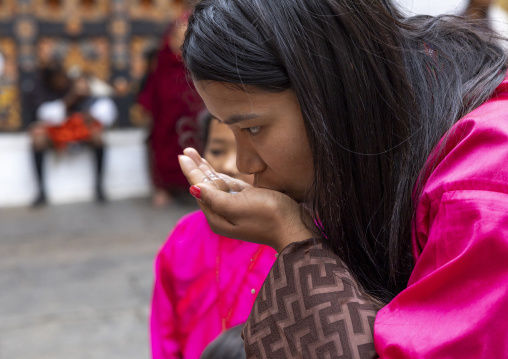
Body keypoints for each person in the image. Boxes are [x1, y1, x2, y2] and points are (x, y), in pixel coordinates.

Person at [177, 0, 508, 357]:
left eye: (253, 127)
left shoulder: (484, 180)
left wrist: (293, 238)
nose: (246, 163)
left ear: (331, 87)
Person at [150, 114, 277, 359]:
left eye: (251, 152)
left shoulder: (299, 235)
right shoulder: (185, 236)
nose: (230, 165)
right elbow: (165, 332)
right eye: (218, 151)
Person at [137, 2, 204, 208]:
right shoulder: (164, 62)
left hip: (192, 116)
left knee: (197, 142)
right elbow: (152, 88)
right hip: (165, 117)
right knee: (162, 145)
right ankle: (163, 188)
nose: (180, 41)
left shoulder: (198, 66)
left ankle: (196, 185)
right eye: (177, 36)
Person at [30, 62, 117, 206]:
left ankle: (100, 187)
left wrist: (90, 113)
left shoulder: (89, 92)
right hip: (59, 133)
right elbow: (46, 115)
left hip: (81, 131)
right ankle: (41, 191)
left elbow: (107, 111)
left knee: (98, 137)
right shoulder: (45, 91)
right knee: (38, 140)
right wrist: (71, 98)